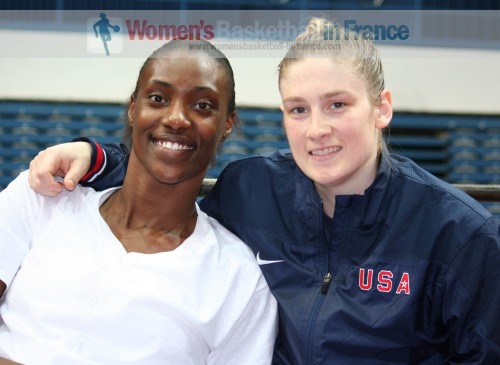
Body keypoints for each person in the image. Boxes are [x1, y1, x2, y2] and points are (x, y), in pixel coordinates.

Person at [28, 18, 500, 364]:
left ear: (382, 108)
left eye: (337, 105)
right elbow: (164, 174)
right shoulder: (251, 190)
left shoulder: (459, 236)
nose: (317, 129)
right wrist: (97, 156)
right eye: (298, 109)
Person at [0, 39, 278, 364]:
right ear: (134, 109)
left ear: (227, 124)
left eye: (202, 105)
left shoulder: (239, 281)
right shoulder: (41, 197)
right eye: (158, 98)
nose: (176, 119)